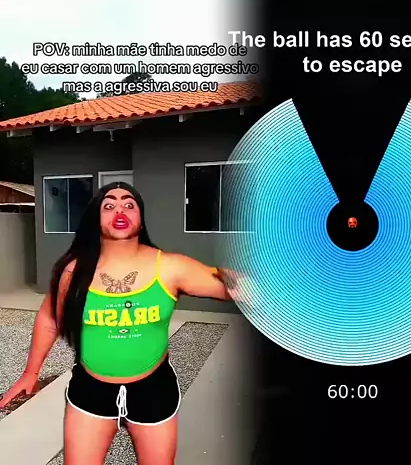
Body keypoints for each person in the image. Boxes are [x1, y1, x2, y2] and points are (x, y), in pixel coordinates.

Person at [0, 182, 243, 465]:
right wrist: (31, 372)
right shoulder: (73, 271)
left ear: (140, 219)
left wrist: (251, 281)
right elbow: (50, 317)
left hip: (153, 390)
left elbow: (232, 287)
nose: (120, 210)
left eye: (129, 204)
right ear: (96, 218)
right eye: (109, 205)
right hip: (90, 391)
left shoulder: (170, 266)